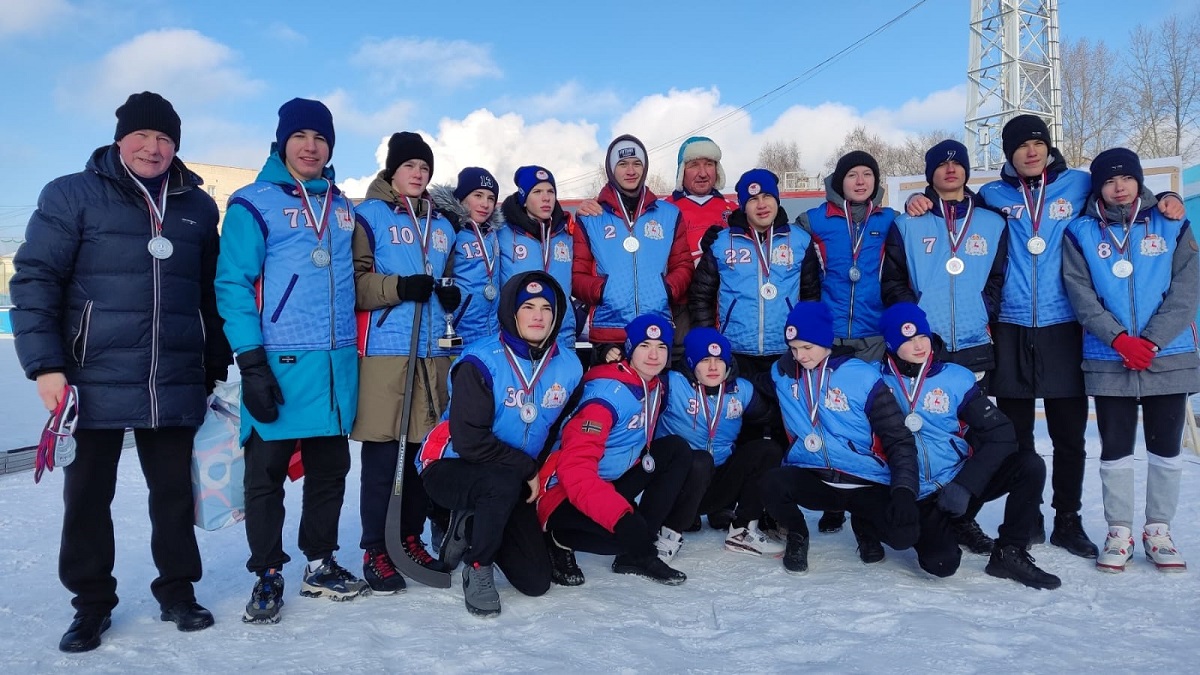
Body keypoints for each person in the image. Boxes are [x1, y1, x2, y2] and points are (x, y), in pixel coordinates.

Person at [905, 115, 1186, 558]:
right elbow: (953, 212)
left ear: (1049, 148)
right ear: (1008, 154)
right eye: (1021, 146)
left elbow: (1125, 202)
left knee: (1068, 435)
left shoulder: (1077, 185)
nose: (1031, 152)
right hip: (1011, 327)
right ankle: (1027, 517)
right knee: (1016, 437)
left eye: (1038, 143)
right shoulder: (994, 196)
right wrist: (920, 200)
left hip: (1063, 324)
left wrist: (1167, 197)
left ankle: (1067, 520)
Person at [11, 91, 231, 652]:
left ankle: (177, 591)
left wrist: (212, 363)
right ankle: (90, 605)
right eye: (143, 136)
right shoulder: (71, 194)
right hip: (90, 377)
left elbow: (208, 293)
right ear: (120, 138)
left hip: (173, 374)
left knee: (174, 495)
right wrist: (46, 367)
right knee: (87, 497)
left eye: (165, 138)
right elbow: (35, 280)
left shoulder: (198, 207)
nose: (154, 148)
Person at [216, 98, 364, 624]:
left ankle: (320, 561)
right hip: (279, 363)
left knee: (331, 471)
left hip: (336, 365)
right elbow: (231, 284)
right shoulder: (251, 203)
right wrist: (251, 362)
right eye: (300, 136)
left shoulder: (343, 206)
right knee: (267, 476)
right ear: (281, 141)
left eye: (321, 138)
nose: (311, 146)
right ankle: (267, 572)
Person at [1062, 148, 1198, 573]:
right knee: (1115, 452)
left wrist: (1152, 341)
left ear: (1139, 181)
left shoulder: (1172, 223)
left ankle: (1158, 530)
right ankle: (1118, 530)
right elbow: (1080, 294)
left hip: (1168, 356)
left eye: (1126, 178)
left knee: (1166, 450)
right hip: (1108, 358)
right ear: (1098, 187)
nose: (1118, 186)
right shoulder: (1080, 232)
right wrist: (1119, 339)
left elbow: (1186, 289)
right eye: (1108, 180)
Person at [418, 271, 584, 616]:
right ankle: (478, 567)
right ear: (511, 311)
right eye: (528, 307)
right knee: (500, 481)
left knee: (535, 581)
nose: (538, 316)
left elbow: (556, 430)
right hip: (451, 467)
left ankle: (473, 524)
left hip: (510, 479)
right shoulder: (481, 361)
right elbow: (469, 442)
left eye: (546, 308)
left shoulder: (569, 366)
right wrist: (525, 468)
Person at [881, 139, 1009, 554]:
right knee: (920, 430)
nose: (950, 170)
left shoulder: (992, 221)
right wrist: (912, 322)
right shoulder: (908, 221)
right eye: (941, 165)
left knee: (969, 437)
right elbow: (893, 281)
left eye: (958, 164)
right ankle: (921, 508)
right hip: (922, 347)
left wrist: (978, 308)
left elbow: (998, 279)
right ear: (930, 173)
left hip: (972, 343)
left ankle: (962, 517)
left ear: (967, 171)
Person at [877, 303, 1060, 589]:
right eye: (907, 340)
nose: (918, 346)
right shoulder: (875, 382)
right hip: (915, 491)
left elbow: (1001, 433)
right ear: (890, 344)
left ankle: (1009, 551)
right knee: (941, 564)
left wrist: (965, 485)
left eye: (922, 336)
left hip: (957, 481)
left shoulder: (954, 377)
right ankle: (954, 525)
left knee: (1029, 465)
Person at [351, 131, 461, 593]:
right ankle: (376, 546)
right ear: (392, 170)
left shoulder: (443, 224)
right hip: (387, 350)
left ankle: (409, 536)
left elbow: (453, 276)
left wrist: (453, 296)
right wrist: (398, 287)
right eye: (410, 166)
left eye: (425, 168)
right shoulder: (368, 216)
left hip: (433, 349)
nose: (418, 174)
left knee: (421, 454)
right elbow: (355, 283)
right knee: (383, 454)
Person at [759, 302, 921, 574]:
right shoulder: (783, 374)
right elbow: (748, 383)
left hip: (865, 482)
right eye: (794, 348)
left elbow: (898, 438)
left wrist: (904, 491)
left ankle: (864, 525)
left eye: (807, 347)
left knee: (905, 535)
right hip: (816, 478)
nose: (800, 356)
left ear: (825, 340)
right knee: (771, 483)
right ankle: (798, 534)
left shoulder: (862, 376)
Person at [537, 314, 695, 585]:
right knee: (619, 536)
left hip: (610, 477)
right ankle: (557, 538)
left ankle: (637, 550)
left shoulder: (652, 384)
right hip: (565, 489)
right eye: (645, 346)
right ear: (630, 350)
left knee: (676, 450)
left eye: (661, 347)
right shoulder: (606, 395)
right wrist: (621, 518)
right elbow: (575, 469)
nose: (653, 355)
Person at [795, 150, 898, 535]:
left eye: (867, 175)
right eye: (852, 174)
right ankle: (833, 502)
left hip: (873, 335)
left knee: (865, 421)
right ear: (839, 181)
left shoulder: (891, 221)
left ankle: (866, 501)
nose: (859, 181)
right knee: (828, 417)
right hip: (828, 337)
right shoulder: (814, 220)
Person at [655, 327, 785, 556]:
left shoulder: (741, 390)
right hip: (677, 485)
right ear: (691, 363)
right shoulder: (672, 385)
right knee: (700, 460)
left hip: (718, 483)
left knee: (767, 450)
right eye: (705, 360)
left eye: (719, 359)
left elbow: (771, 417)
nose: (714, 367)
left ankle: (742, 530)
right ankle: (668, 534)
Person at [572, 135, 693, 351]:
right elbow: (576, 276)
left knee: (655, 387)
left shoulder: (669, 214)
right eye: (622, 164)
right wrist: (604, 291)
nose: (631, 171)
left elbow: (683, 266)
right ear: (611, 169)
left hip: (656, 330)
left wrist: (664, 290)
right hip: (608, 330)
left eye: (637, 163)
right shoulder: (590, 217)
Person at [498, 166, 578, 355]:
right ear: (524, 199)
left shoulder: (566, 234)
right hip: (517, 339)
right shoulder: (502, 233)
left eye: (550, 191)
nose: (546, 198)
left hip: (562, 336)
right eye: (537, 192)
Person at [430, 166, 502, 351]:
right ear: (462, 197)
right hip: (458, 332)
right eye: (478, 195)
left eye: (491, 198)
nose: (485, 204)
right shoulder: (449, 228)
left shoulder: (494, 233)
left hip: (491, 333)